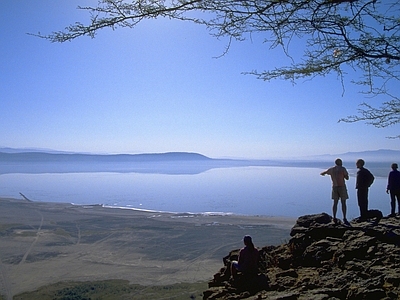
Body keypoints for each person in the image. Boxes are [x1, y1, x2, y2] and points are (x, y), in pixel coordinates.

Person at [320, 158, 349, 224]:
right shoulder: (343, 169)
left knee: (335, 203)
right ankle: (344, 217)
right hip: (342, 187)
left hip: (335, 187)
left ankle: (334, 217)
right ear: (340, 163)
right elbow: (347, 178)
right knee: (343, 203)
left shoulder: (332, 169)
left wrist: (324, 173)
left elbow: (323, 173)